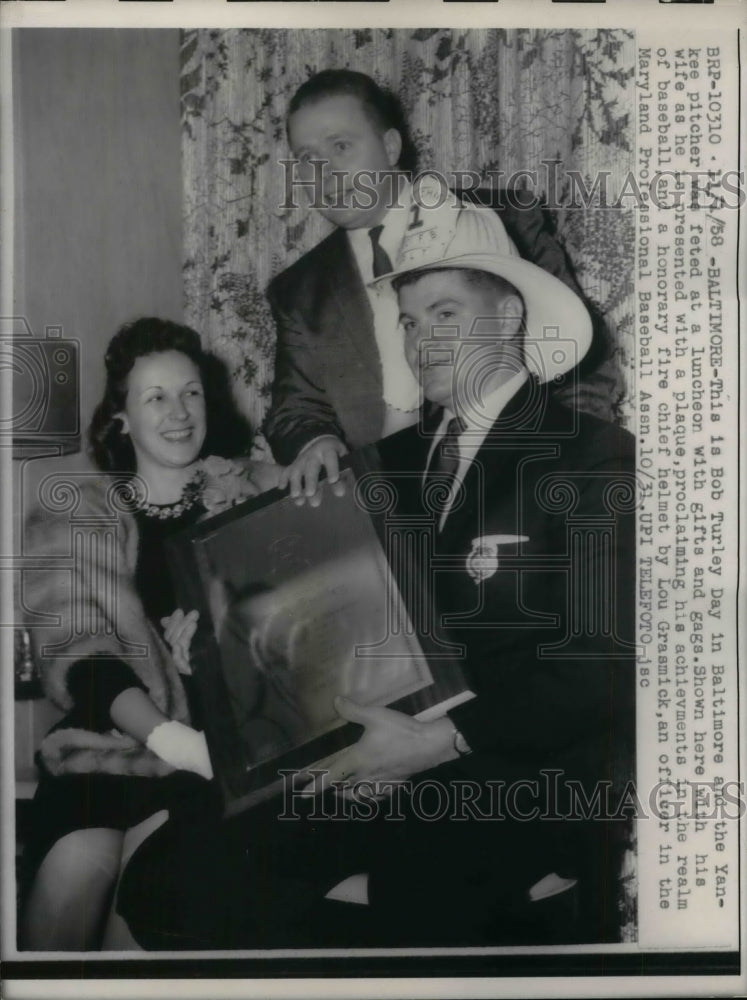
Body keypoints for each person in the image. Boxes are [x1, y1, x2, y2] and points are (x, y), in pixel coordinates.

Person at [118, 212, 635, 948]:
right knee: (171, 879)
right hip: (370, 757)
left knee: (414, 892)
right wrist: (212, 639)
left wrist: (440, 742)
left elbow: (600, 666)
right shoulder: (383, 466)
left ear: (508, 314)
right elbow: (305, 624)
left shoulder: (592, 458)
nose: (419, 339)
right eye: (408, 320)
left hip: (513, 773)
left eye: (444, 313)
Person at [20, 317, 274, 950]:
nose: (179, 412)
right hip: (107, 746)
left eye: (190, 392)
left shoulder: (249, 498)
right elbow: (79, 655)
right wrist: (172, 736)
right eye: (155, 396)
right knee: (72, 870)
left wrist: (209, 658)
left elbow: (286, 643)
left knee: (141, 905)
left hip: (214, 765)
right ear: (122, 417)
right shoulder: (73, 512)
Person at [264, 68, 588, 505]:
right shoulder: (299, 289)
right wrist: (313, 442)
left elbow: (581, 371)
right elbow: (295, 410)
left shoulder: (501, 216)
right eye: (306, 158)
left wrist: (571, 478)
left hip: (525, 494)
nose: (324, 172)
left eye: (340, 146)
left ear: (391, 146)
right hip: (390, 517)